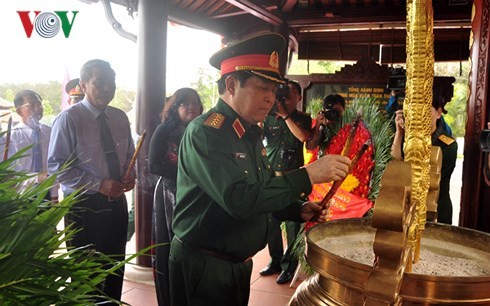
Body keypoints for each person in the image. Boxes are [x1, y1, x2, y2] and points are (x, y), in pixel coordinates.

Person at [168, 32, 351, 306]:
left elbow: (260, 188)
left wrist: (296, 208)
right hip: (205, 265)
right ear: (231, 84)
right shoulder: (207, 133)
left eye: (273, 91)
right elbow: (239, 200)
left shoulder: (248, 130)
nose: (270, 99)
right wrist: (309, 174)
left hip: (236, 264)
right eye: (261, 88)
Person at [48, 59, 135, 304]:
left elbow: (130, 153)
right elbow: (57, 168)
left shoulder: (119, 117)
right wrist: (98, 184)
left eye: (111, 83)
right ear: (84, 85)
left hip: (116, 203)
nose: (107, 89)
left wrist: (131, 173)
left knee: (115, 266)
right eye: (100, 83)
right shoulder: (69, 119)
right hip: (83, 206)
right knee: (86, 275)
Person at [148, 87, 203, 305]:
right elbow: (153, 165)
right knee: (171, 245)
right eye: (184, 103)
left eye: (195, 102)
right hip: (170, 193)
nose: (191, 107)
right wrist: (187, 175)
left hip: (199, 194)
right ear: (175, 108)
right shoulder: (164, 130)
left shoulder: (205, 130)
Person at [260, 79, 311, 284]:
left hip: (292, 177)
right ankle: (275, 261)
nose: (285, 96)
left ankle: (289, 267)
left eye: (290, 93)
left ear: (298, 97)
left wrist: (286, 116)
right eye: (282, 93)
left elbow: (303, 137)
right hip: (273, 176)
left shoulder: (303, 119)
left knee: (292, 225)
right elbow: (256, 137)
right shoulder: (268, 118)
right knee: (272, 222)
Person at [391, 96, 457, 224]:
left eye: (426, 110)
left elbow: (426, 178)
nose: (420, 115)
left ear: (438, 113)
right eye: (415, 110)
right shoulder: (407, 138)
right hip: (407, 206)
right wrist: (399, 133)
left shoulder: (448, 145)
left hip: (437, 209)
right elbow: (394, 166)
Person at [8, 89, 58, 202]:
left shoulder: (49, 132)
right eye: (31, 105)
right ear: (19, 111)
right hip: (20, 195)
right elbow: (9, 174)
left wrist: (55, 195)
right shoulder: (11, 137)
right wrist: (36, 178)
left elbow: (54, 164)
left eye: (39, 104)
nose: (38, 108)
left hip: (47, 193)